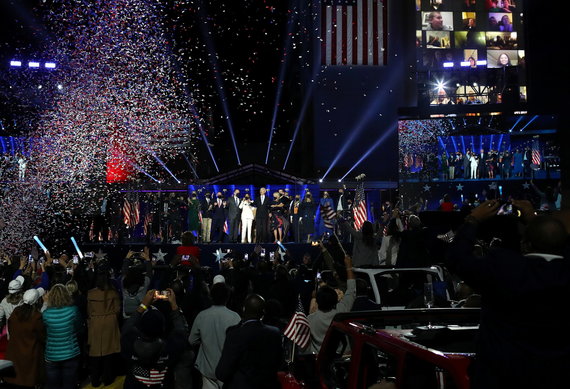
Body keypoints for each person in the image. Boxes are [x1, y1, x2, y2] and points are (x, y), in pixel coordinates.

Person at [447, 200, 570, 389]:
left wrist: (473, 220)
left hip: (502, 378)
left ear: (525, 244)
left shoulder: (503, 268)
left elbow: (458, 259)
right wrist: (532, 219)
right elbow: (552, 240)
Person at [121, 289, 188, 389]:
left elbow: (127, 328)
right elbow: (181, 331)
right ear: (163, 328)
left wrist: (143, 305)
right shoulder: (169, 347)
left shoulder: (130, 343)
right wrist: (174, 305)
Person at [216, 294, 284, 389]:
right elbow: (279, 362)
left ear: (243, 309)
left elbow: (222, 373)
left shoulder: (235, 334)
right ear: (263, 313)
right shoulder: (275, 333)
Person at [189, 283, 241, 389]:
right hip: (228, 371)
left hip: (207, 370)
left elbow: (191, 340)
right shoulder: (235, 317)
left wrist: (205, 341)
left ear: (211, 296)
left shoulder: (202, 316)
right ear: (228, 297)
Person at [306, 255, 356, 353]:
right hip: (342, 358)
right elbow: (351, 290)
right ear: (335, 300)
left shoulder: (310, 320)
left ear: (317, 301)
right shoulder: (342, 311)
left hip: (320, 360)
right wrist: (349, 267)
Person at [4, 287, 46, 388]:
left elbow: (10, 328)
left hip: (15, 353)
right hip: (30, 355)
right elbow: (43, 336)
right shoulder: (36, 317)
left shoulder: (16, 312)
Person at [43, 284, 82, 389]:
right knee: (69, 385)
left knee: (53, 385)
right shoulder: (73, 310)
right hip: (70, 353)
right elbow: (79, 328)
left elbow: (44, 333)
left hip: (51, 355)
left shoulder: (46, 314)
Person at [87, 269, 121, 387]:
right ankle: (108, 378)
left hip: (95, 321)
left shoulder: (90, 293)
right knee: (109, 351)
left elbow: (89, 311)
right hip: (110, 321)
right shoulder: (113, 293)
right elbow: (117, 309)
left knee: (95, 351)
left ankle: (95, 380)